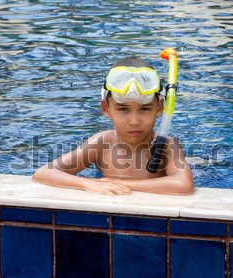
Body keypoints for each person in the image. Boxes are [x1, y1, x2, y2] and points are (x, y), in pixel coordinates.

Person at [32, 56, 194, 196]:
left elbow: (183, 185)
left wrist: (116, 182)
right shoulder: (103, 143)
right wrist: (88, 184)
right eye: (123, 109)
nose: (134, 121)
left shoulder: (166, 146)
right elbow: (44, 172)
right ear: (105, 108)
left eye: (144, 109)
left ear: (159, 108)